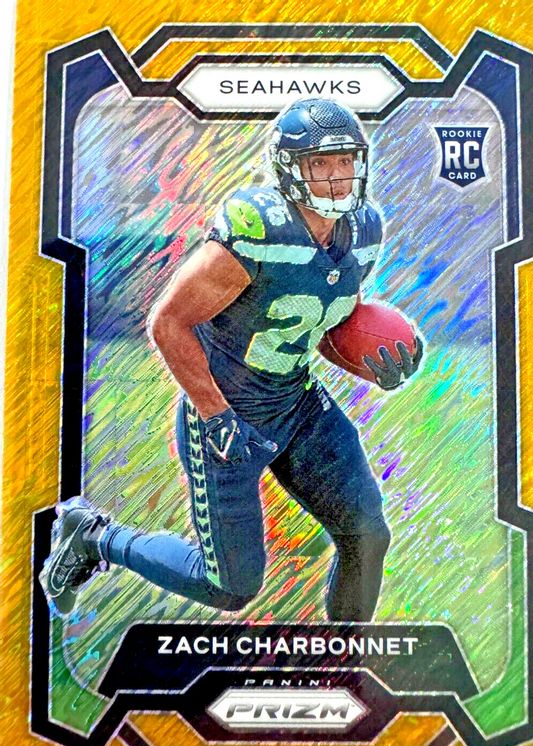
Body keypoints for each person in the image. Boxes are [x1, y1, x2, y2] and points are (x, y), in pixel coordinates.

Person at [40, 98, 423, 621]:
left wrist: (374, 362)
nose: (337, 177)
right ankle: (94, 537)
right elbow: (168, 322)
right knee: (230, 586)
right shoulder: (259, 229)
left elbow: (322, 321)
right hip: (228, 410)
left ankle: (346, 656)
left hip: (297, 403)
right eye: (320, 163)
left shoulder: (363, 230)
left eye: (345, 160)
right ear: (289, 169)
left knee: (367, 535)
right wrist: (217, 416)